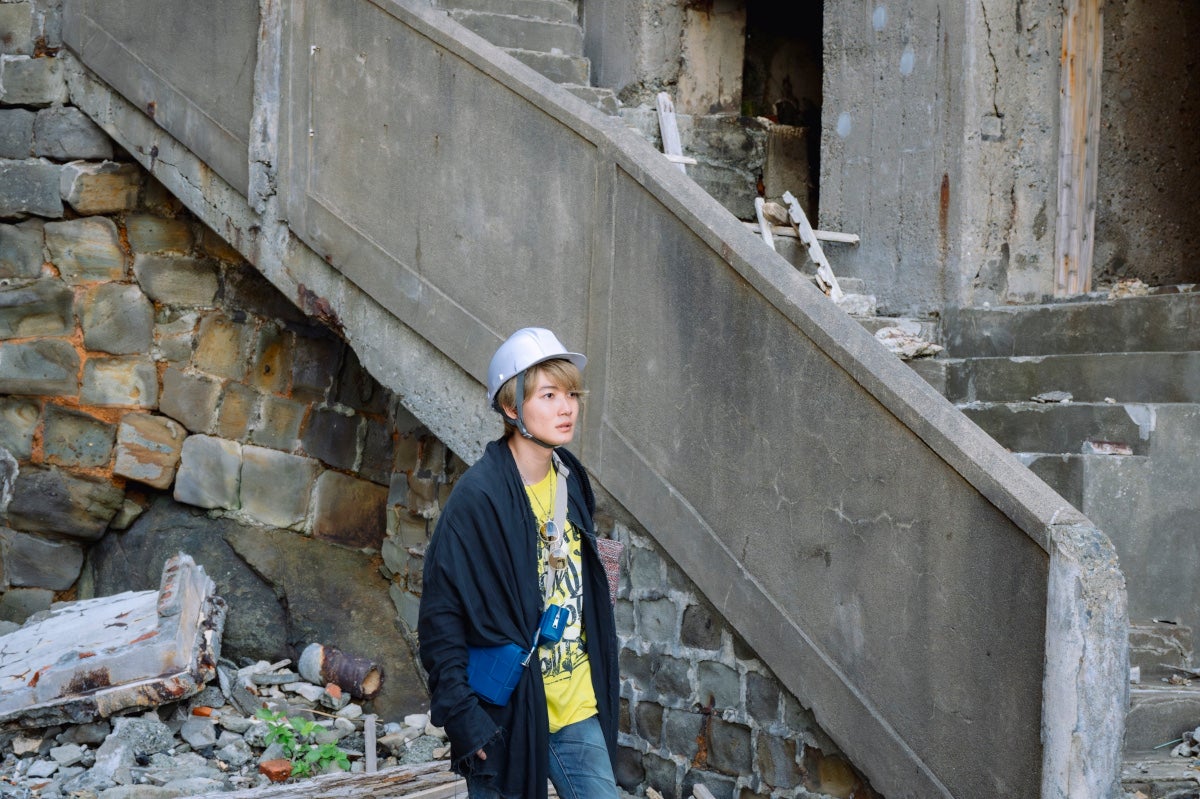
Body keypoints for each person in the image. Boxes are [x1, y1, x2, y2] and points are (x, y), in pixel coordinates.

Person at [418, 328, 620, 799]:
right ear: (511, 408)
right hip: (505, 711)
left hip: (575, 703)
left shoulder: (571, 478)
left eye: (571, 394)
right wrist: (461, 716)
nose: (567, 408)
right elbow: (441, 613)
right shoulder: (478, 497)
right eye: (549, 395)